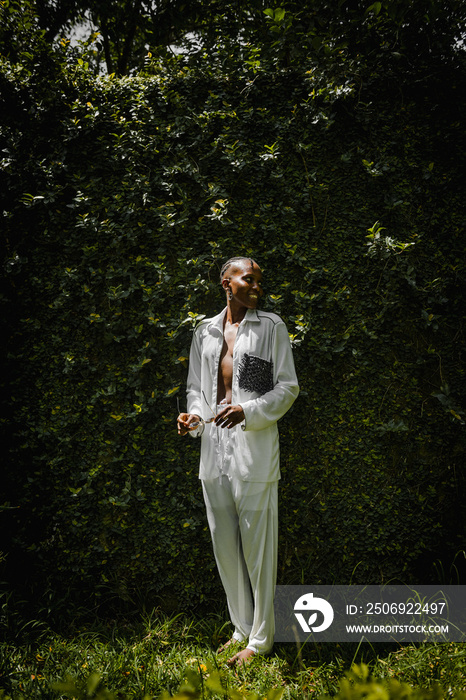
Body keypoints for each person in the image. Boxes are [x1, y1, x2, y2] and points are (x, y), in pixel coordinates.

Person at [177, 256, 299, 665]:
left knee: (259, 551)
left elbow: (287, 388)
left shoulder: (271, 327)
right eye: (248, 278)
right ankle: (241, 628)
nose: (256, 286)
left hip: (255, 454)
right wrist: (193, 418)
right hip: (213, 454)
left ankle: (260, 642)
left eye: (259, 280)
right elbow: (196, 389)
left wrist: (248, 411)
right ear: (226, 282)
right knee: (225, 547)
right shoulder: (205, 332)